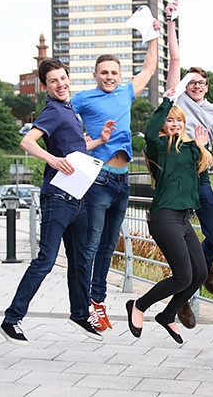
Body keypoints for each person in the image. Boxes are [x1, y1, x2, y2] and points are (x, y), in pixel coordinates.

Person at [0, 58, 115, 345]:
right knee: (46, 259)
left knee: (80, 260)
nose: (61, 84)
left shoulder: (69, 111)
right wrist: (52, 159)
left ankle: (79, 314)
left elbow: (75, 148)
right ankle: (11, 319)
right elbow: (27, 142)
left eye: (63, 78)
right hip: (58, 198)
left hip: (78, 197)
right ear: (45, 86)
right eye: (54, 81)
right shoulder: (52, 110)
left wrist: (99, 141)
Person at [71, 18, 160, 332]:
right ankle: (83, 306)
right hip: (98, 179)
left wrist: (152, 34)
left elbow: (149, 69)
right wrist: (79, 142)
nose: (109, 77)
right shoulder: (82, 98)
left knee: (110, 245)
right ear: (95, 75)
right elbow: (60, 121)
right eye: (104, 73)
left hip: (122, 182)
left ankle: (97, 302)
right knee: (92, 244)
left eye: (113, 73)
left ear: (119, 76)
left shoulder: (125, 92)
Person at [126, 89, 213, 344]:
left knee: (199, 274)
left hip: (184, 218)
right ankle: (139, 306)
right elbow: (151, 132)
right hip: (164, 216)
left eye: (179, 120)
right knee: (182, 276)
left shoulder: (191, 149)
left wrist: (200, 146)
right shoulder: (159, 147)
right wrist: (166, 102)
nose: (175, 124)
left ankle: (168, 314)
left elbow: (199, 182)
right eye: (170, 120)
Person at [165, 1, 213, 328]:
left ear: (206, 87)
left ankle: (203, 272)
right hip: (178, 183)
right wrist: (172, 21)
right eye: (192, 82)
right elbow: (175, 59)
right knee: (179, 243)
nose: (196, 86)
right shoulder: (176, 101)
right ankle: (186, 298)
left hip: (203, 181)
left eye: (201, 83)